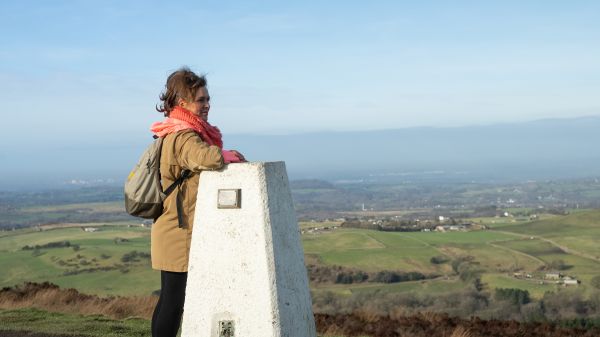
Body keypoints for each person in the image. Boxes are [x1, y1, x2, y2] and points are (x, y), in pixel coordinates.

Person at [149, 67, 245, 337]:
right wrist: (226, 154)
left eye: (207, 99)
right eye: (200, 100)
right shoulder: (182, 135)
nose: (207, 105)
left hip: (176, 229)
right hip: (178, 232)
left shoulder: (174, 130)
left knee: (171, 299)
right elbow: (204, 157)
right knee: (173, 302)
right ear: (182, 103)